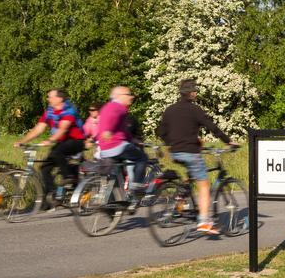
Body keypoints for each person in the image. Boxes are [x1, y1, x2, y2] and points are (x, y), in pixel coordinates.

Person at [158, 78, 237, 235]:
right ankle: (203, 221)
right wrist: (229, 141)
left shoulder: (170, 110)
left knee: (190, 175)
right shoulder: (195, 110)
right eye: (195, 91)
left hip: (175, 152)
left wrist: (172, 143)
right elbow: (212, 127)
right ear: (191, 93)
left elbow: (160, 132)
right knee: (203, 185)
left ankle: (180, 199)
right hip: (191, 152)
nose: (196, 93)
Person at [13, 88, 86, 207]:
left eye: (50, 96)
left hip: (76, 141)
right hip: (62, 142)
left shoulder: (69, 110)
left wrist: (50, 140)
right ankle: (53, 197)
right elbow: (39, 128)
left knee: (58, 152)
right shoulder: (50, 111)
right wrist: (22, 141)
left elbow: (63, 129)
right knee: (44, 168)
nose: (48, 99)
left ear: (59, 98)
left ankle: (69, 177)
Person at [96, 87, 148, 193]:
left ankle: (113, 202)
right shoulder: (118, 107)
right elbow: (111, 118)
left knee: (116, 173)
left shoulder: (107, 106)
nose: (132, 97)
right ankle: (137, 186)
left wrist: (134, 140)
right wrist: (107, 130)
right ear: (120, 96)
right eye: (129, 94)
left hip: (104, 148)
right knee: (142, 158)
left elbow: (123, 131)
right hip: (116, 145)